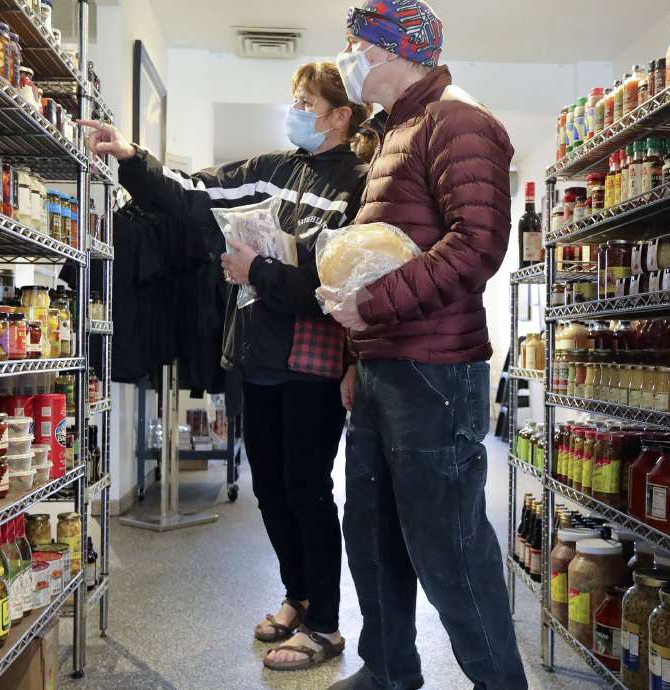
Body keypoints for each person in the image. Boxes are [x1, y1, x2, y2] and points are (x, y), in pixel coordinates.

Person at [79, 61, 372, 673]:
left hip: (314, 362)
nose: (296, 111)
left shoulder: (360, 185)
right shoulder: (269, 168)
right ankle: (297, 596)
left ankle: (324, 624)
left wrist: (259, 273)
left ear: (341, 115)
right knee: (268, 488)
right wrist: (132, 156)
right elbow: (192, 194)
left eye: (306, 103)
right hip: (258, 356)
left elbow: (338, 284)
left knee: (308, 490)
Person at [325, 2, 528, 689]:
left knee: (449, 544)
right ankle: (388, 670)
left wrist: (371, 308)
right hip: (386, 366)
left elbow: (477, 247)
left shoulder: (457, 121)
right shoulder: (398, 131)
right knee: (373, 531)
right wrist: (359, 354)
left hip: (436, 371)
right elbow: (378, 256)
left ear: (391, 50)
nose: (347, 57)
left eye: (354, 44)